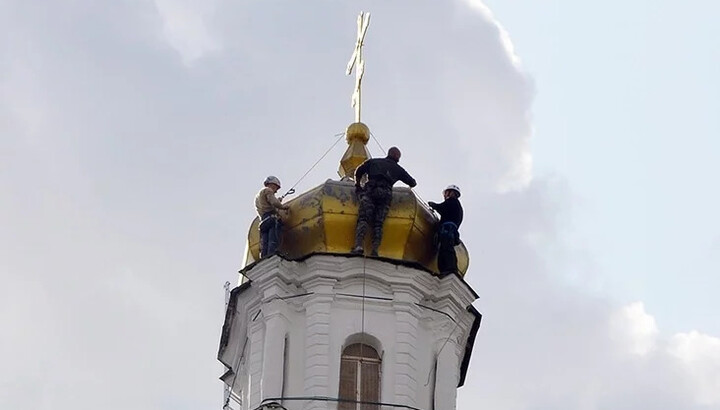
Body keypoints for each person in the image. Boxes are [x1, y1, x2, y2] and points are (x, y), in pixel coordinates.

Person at [352, 147, 417, 256]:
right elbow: (413, 183)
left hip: (370, 191)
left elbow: (359, 171)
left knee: (363, 219)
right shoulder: (398, 169)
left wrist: (358, 185)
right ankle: (375, 250)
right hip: (385, 195)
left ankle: (358, 245)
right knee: (378, 223)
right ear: (397, 157)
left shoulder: (374, 162)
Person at [428, 185, 463, 275]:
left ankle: (450, 268)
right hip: (450, 229)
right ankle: (444, 269)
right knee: (444, 249)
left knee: (446, 248)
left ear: (451, 193)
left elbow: (442, 208)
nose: (446, 195)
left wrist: (434, 205)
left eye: (447, 192)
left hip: (447, 229)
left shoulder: (452, 202)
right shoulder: (457, 206)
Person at [255, 176, 290, 258]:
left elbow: (267, 205)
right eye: (276, 188)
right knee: (273, 239)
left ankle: (264, 258)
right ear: (273, 184)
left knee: (265, 242)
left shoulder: (258, 197)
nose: (276, 191)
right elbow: (274, 202)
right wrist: (283, 207)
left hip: (263, 221)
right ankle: (272, 255)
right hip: (271, 219)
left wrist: (277, 201)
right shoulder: (268, 190)